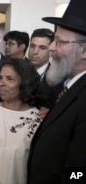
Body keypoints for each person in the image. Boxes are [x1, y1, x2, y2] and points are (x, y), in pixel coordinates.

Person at [27, 0, 86, 183]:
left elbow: (79, 174)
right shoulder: (68, 86)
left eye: (59, 41)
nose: (52, 48)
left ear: (84, 50)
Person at [28, 28, 63, 108]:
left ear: (51, 51)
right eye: (32, 46)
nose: (35, 52)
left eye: (42, 47)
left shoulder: (58, 80)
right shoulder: (19, 72)